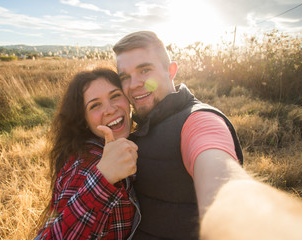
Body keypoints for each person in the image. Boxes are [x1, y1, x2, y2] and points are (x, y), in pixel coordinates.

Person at [113, 31, 302, 240]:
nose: (134, 84)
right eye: (125, 77)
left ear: (171, 71)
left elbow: (222, 181)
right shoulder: (138, 124)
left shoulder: (198, 120)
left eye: (145, 70)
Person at [34, 68, 141, 240]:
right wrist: (103, 177)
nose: (110, 109)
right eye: (95, 105)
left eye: (115, 96)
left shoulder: (101, 147)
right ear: (83, 120)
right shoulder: (86, 165)